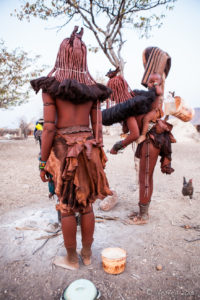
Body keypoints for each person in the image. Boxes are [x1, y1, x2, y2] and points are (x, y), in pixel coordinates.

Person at [30, 26, 113, 270]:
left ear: (61, 56)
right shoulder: (94, 92)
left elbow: (48, 129)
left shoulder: (51, 88)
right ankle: (87, 254)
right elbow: (97, 130)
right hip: (89, 151)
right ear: (82, 57)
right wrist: (97, 155)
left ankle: (71, 258)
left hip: (62, 152)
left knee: (67, 208)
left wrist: (43, 162)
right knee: (86, 205)